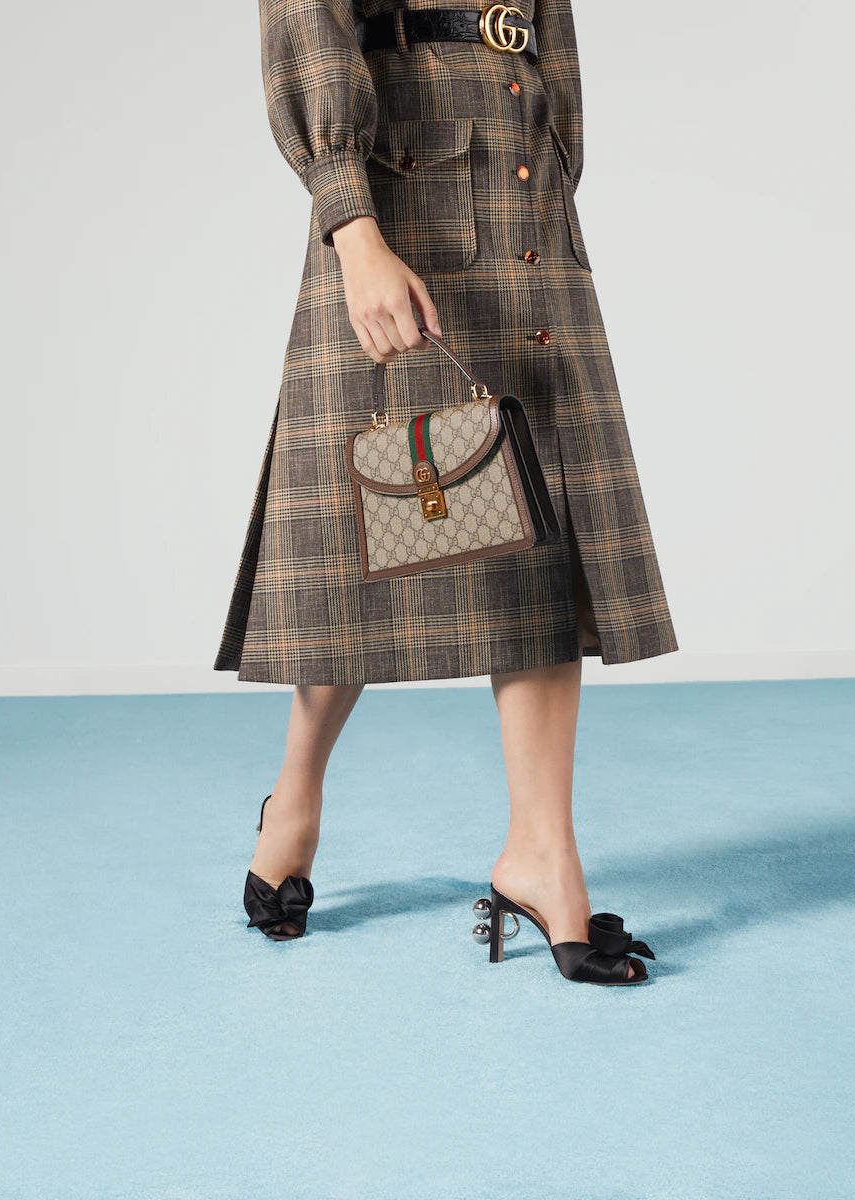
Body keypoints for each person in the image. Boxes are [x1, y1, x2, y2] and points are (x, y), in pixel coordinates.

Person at [215, 1, 679, 985]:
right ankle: (294, 799)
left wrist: (548, 164)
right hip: (399, 202)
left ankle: (540, 855)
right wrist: (351, 226)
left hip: (521, 195)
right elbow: (307, 18)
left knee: (536, 531)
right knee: (373, 536)